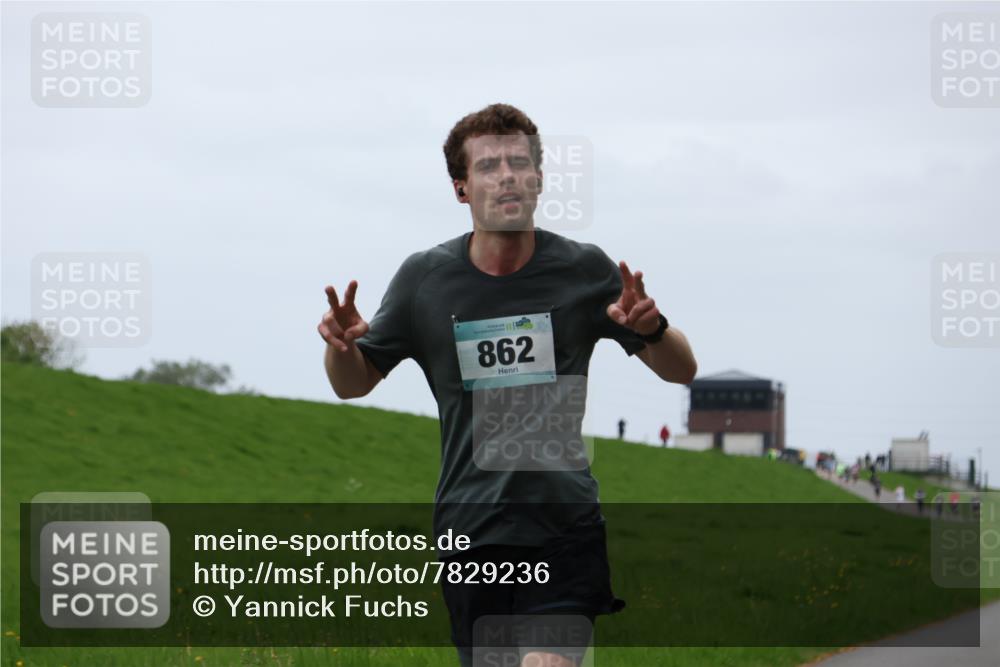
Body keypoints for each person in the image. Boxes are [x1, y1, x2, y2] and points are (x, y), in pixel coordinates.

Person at [317, 103, 698, 667]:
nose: (507, 176)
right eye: (489, 165)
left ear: (540, 179)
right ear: (461, 188)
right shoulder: (425, 280)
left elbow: (681, 370)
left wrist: (653, 328)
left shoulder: (585, 270)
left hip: (562, 523)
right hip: (471, 530)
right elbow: (353, 385)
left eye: (519, 163)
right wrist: (340, 347)